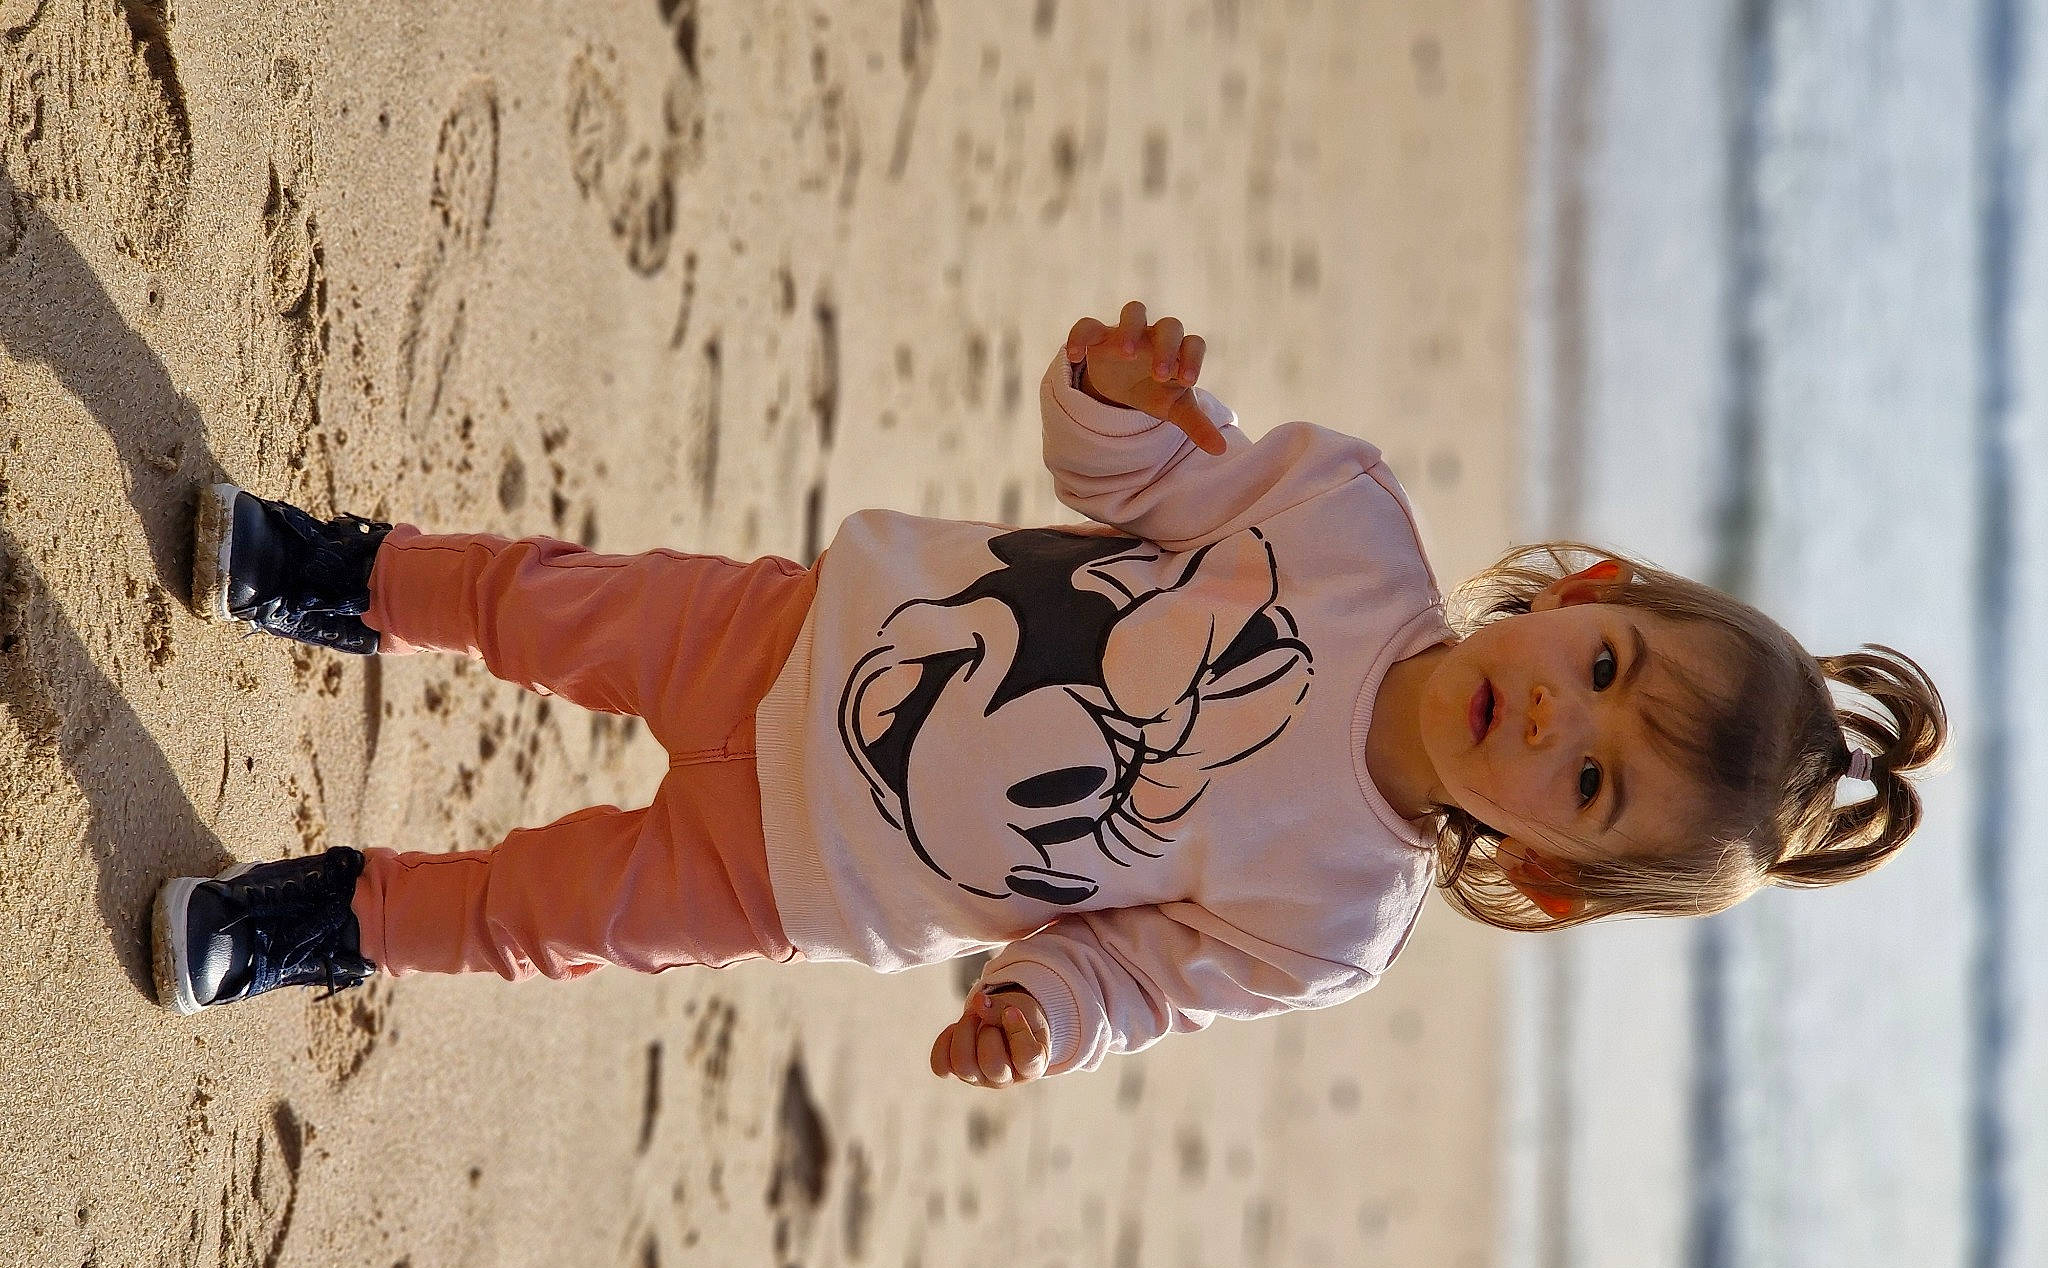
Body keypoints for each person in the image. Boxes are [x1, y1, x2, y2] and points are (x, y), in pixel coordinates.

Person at [152, 301, 1948, 1091]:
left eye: (1599, 786)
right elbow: (1130, 483)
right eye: (1605, 673)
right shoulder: (1341, 518)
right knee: (550, 606)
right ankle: (334, 574)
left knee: (541, 914)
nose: (1562, 721)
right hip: (803, 636)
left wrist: (1037, 1018)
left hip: (802, 877)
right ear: (1584, 595)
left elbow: (1132, 979)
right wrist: (1106, 388)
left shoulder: (1329, 924)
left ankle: (318, 923)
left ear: (1543, 872)